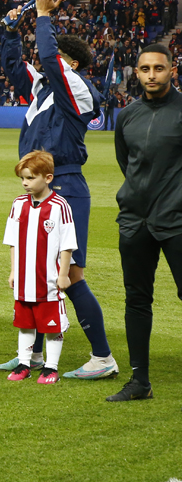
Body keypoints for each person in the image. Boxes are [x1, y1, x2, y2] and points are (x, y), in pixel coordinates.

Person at [0, 0, 117, 378]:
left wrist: (44, 15)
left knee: (70, 275)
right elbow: (15, 67)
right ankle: (30, 355)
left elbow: (47, 58)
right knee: (33, 270)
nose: (46, 61)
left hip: (64, 185)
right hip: (37, 187)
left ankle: (103, 357)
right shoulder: (45, 88)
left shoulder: (78, 88)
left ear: (74, 65)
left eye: (57, 58)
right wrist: (9, 30)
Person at [108, 43, 182, 402]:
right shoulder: (127, 116)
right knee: (137, 299)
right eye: (145, 69)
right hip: (135, 220)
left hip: (177, 220)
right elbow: (128, 163)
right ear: (135, 73)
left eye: (159, 68)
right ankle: (140, 382)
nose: (152, 75)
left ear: (172, 71)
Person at [3, 150, 74, 385]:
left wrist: (63, 274)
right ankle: (25, 363)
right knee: (25, 323)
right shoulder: (18, 204)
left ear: (48, 178)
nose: (25, 183)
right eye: (23, 178)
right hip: (24, 278)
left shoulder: (60, 206)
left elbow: (67, 245)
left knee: (51, 325)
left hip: (49, 279)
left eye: (31, 178)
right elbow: (12, 241)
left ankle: (50, 367)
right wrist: (14, 271)